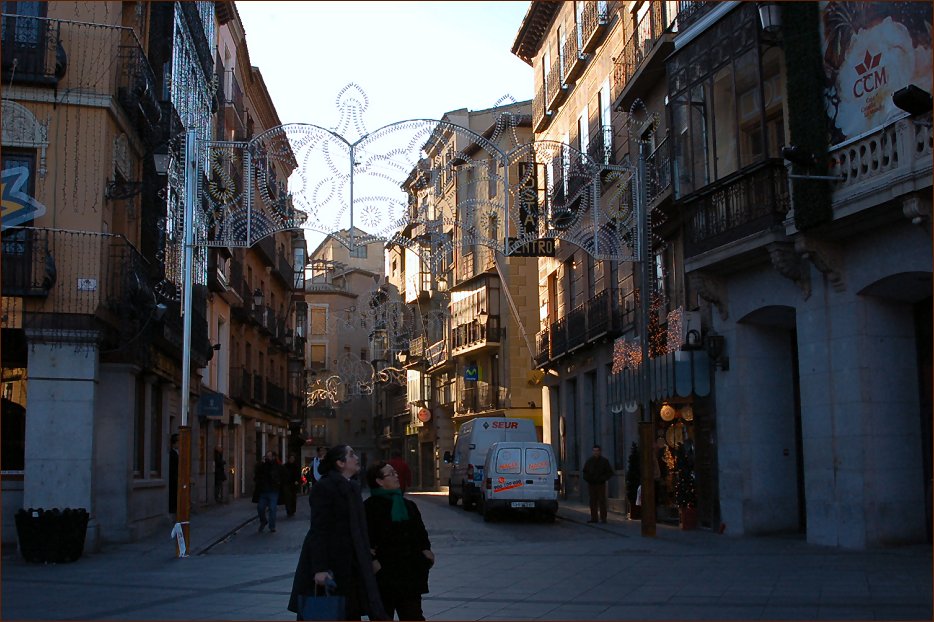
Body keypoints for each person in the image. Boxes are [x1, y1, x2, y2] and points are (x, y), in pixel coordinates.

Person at [288, 445, 387, 621]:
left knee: (351, 611)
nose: (356, 458)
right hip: (332, 563)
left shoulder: (352, 487)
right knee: (334, 612)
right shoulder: (325, 487)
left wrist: (368, 556)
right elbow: (319, 529)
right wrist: (320, 569)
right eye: (351, 455)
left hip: (351, 563)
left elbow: (359, 528)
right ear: (340, 463)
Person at [364, 461, 434, 621]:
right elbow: (364, 539)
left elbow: (420, 533)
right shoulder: (369, 508)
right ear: (379, 481)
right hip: (384, 575)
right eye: (391, 474)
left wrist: (426, 552)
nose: (397, 476)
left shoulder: (408, 505)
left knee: (413, 616)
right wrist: (374, 563)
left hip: (410, 575)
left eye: (396, 473)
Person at [582, 444, 614, 523]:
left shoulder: (604, 461)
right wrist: (589, 479)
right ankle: (594, 518)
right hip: (592, 484)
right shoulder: (589, 461)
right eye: (594, 451)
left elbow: (609, 472)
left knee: (602, 500)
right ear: (593, 452)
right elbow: (584, 472)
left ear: (600, 451)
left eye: (597, 451)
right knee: (593, 501)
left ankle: (603, 518)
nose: (596, 452)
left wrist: (602, 479)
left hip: (600, 484)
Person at [254, 450, 283, 533]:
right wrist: (261, 464)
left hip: (273, 490)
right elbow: (257, 473)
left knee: (272, 508)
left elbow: (282, 474)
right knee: (260, 508)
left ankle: (272, 526)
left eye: (270, 456)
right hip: (263, 491)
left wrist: (278, 483)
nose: (268, 457)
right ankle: (263, 521)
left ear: (273, 457)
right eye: (267, 456)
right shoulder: (262, 466)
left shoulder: (277, 466)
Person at [168, 433, 179, 514]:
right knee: (173, 494)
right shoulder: (172, 453)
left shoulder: (177, 452)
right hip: (173, 478)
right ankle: (173, 509)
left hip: (176, 478)